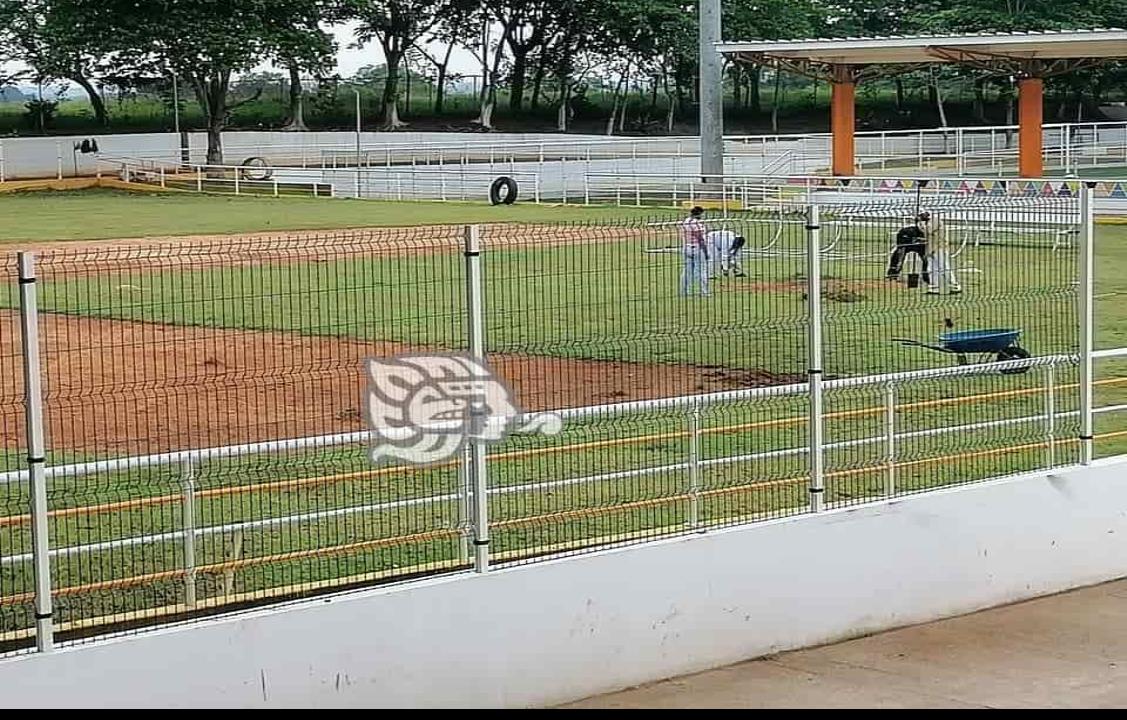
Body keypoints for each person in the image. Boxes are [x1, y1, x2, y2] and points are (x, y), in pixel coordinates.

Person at [886, 212, 932, 285]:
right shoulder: (906, 231)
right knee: (898, 258)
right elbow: (900, 243)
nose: (923, 225)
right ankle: (893, 275)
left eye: (925, 223)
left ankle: (926, 278)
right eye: (921, 223)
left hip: (920, 246)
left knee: (926, 260)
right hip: (905, 244)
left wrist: (923, 240)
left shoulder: (929, 230)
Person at [680, 206, 710, 297]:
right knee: (701, 270)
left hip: (686, 247)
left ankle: (684, 291)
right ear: (699, 213)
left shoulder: (686, 221)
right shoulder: (697, 224)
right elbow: (700, 239)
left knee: (687, 270)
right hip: (697, 248)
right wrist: (706, 251)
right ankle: (704, 292)